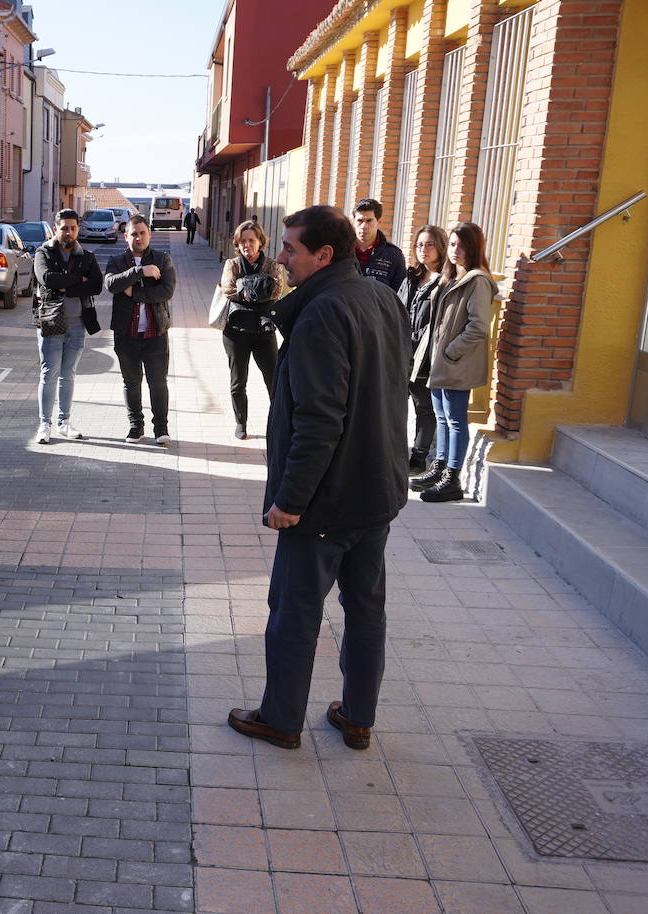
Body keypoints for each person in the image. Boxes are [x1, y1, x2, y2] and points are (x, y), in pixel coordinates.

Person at [227, 205, 410, 752]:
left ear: (324, 255)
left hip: (326, 502)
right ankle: (358, 718)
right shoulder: (381, 297)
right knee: (366, 610)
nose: (281, 257)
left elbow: (318, 419)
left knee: (293, 613)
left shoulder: (321, 313)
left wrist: (290, 499)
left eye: (290, 249)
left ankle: (281, 719)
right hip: (376, 491)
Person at [411, 221, 495, 503]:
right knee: (442, 418)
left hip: (454, 362)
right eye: (453, 244)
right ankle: (440, 467)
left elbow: (479, 326)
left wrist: (450, 352)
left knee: (456, 420)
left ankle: (452, 479)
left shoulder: (477, 280)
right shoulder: (451, 277)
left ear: (473, 247)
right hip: (440, 361)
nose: (454, 250)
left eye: (461, 245)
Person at [32, 209, 104, 444]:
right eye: (64, 227)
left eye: (73, 228)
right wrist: (78, 281)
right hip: (52, 321)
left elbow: (96, 285)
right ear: (56, 228)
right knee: (49, 373)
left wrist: (67, 286)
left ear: (78, 229)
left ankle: (64, 422)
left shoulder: (86, 256)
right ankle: (45, 424)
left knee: (68, 374)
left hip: (78, 323)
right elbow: (47, 279)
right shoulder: (43, 252)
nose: (69, 232)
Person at [105, 214, 177, 446]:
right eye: (133, 233)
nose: (138, 237)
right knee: (131, 382)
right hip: (126, 334)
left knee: (158, 382)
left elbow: (166, 291)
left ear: (149, 234)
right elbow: (111, 284)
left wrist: (133, 293)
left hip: (156, 333)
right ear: (125, 236)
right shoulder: (116, 261)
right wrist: (140, 272)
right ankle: (136, 426)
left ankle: (161, 429)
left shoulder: (163, 259)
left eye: (142, 232)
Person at [217, 220, 286, 440]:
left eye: (251, 240)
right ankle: (241, 422)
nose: (247, 245)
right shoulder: (232, 264)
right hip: (236, 331)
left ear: (260, 242)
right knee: (238, 382)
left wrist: (245, 287)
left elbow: (276, 290)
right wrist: (259, 287)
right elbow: (228, 290)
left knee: (274, 380)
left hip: (264, 331)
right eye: (243, 241)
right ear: (238, 243)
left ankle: (278, 423)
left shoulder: (272, 264)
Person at [398, 226, 449, 475]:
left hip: (424, 355)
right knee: (393, 404)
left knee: (423, 407)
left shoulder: (446, 280)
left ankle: (418, 458)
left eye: (429, 244)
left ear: (440, 247)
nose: (423, 249)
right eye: (419, 244)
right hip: (400, 351)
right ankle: (393, 452)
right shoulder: (410, 277)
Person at [352, 198, 405, 291]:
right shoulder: (340, 251)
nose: (364, 226)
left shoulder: (394, 255)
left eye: (369, 221)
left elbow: (398, 295)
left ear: (379, 222)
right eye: (360, 221)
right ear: (353, 222)